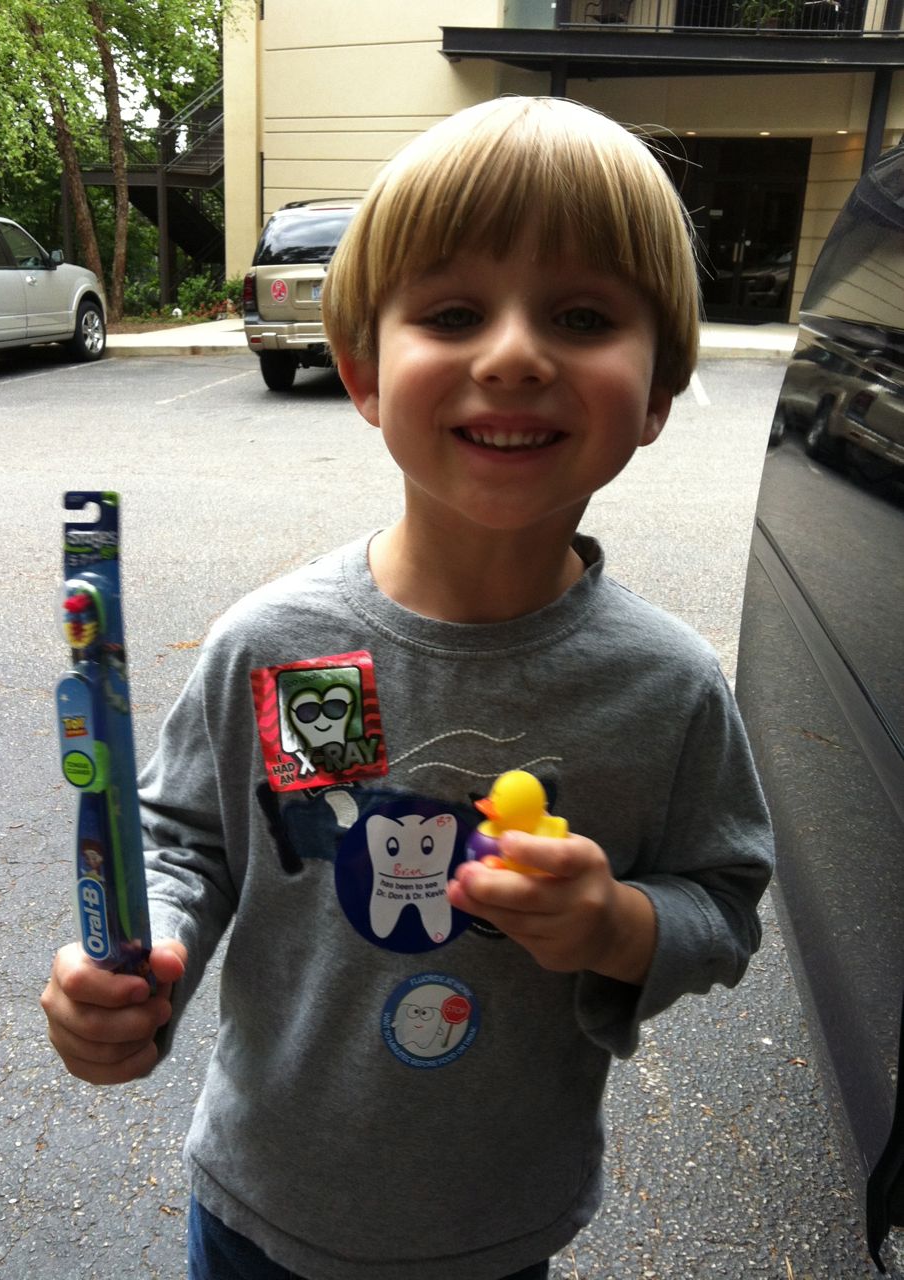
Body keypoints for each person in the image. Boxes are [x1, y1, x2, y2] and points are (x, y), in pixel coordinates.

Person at [41, 96, 774, 1280]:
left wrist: (616, 923)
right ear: (365, 375)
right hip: (261, 1208)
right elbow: (182, 834)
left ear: (654, 394)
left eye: (582, 315)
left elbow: (726, 899)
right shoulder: (272, 641)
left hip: (496, 1227)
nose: (514, 352)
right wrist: (146, 949)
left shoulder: (668, 687)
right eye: (452, 312)